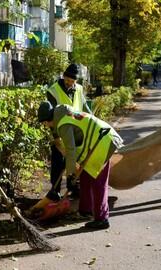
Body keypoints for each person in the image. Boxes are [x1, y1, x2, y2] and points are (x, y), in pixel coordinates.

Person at [37, 102, 123, 229]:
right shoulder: (64, 113)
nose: (46, 126)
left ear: (48, 119)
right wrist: (72, 173)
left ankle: (102, 219)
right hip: (98, 141)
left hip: (103, 142)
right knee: (86, 177)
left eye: (45, 123)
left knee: (98, 182)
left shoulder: (62, 125)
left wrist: (71, 175)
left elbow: (70, 149)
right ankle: (85, 210)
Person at [45, 63, 92, 201]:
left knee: (76, 159)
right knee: (58, 162)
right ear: (64, 76)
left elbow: (84, 107)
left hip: (76, 130)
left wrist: (92, 119)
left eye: (73, 81)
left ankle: (75, 187)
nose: (70, 83)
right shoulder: (53, 90)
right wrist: (56, 137)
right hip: (59, 131)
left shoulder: (78, 89)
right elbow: (51, 115)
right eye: (68, 80)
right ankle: (55, 190)